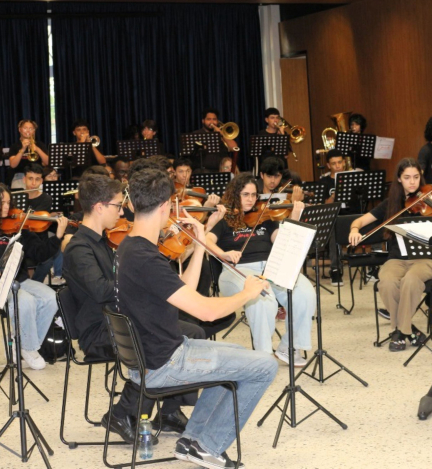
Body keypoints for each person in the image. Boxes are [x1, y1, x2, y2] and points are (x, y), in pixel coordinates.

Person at [116, 167, 278, 468]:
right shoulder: (145, 258)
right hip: (163, 363)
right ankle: (208, 446)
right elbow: (207, 311)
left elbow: (185, 291)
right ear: (165, 206)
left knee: (237, 354)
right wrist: (247, 292)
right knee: (265, 365)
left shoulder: (131, 246)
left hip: (158, 353)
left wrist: (200, 243)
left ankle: (192, 441)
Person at [63, 174, 205, 443]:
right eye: (118, 206)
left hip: (122, 320)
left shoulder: (104, 242)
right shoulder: (78, 248)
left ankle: (170, 411)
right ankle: (122, 413)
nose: (121, 212)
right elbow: (101, 290)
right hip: (100, 329)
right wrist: (141, 280)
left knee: (194, 332)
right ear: (99, 207)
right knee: (158, 338)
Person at [207, 173, 314, 366]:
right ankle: (263, 358)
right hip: (238, 270)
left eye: (254, 195)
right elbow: (206, 241)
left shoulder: (265, 217)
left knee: (304, 293)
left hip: (270, 268)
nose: (250, 199)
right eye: (245, 194)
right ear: (235, 195)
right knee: (264, 299)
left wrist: (294, 218)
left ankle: (289, 348)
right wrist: (223, 254)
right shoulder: (225, 219)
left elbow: (282, 241)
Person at [349, 157, 432, 351]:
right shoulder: (390, 204)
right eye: (407, 177)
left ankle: (400, 332)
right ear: (399, 179)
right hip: (397, 259)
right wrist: (354, 230)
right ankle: (409, 330)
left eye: (416, 177)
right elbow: (359, 221)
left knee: (410, 280)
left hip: (426, 259)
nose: (412, 182)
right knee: (386, 282)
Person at [0, 182, 66, 370]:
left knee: (51, 298)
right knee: (24, 300)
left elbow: (40, 253)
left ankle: (21, 344)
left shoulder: (18, 225)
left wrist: (58, 236)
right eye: (0, 203)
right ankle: (29, 349)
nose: (6, 207)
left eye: (8, 202)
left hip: (17, 281)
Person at [21, 163, 65, 286]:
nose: (33, 183)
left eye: (37, 179)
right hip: (22, 238)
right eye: (30, 178)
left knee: (49, 257)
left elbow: (35, 219)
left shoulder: (46, 198)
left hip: (39, 238)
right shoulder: (18, 197)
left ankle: (35, 283)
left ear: (41, 181)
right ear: (24, 179)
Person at [318, 149, 347, 284]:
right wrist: (336, 194)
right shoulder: (324, 181)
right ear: (329, 166)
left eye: (340, 162)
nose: (337, 166)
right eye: (334, 163)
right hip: (334, 216)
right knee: (333, 227)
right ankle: (335, 269)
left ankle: (372, 265)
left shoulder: (352, 177)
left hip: (350, 215)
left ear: (344, 162)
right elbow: (324, 205)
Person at [8, 120, 49, 188]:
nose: (28, 131)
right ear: (20, 129)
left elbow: (48, 162)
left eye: (31, 128)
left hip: (37, 176)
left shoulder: (40, 144)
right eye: (25, 128)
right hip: (20, 176)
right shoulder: (15, 146)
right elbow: (13, 165)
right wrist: (23, 149)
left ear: (34, 131)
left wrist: (37, 149)